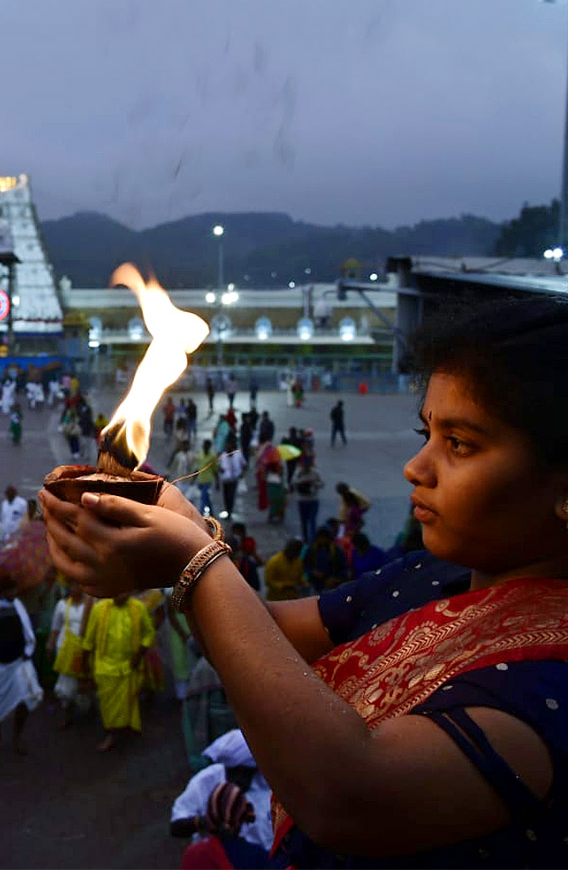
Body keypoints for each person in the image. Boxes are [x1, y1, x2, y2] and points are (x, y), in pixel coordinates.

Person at [40, 292, 568, 867]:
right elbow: (262, 635)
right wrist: (186, 537)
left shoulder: (549, 680)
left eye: (460, 444)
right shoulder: (430, 575)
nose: (415, 469)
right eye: (427, 435)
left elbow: (350, 795)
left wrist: (193, 563)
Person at [170, 729, 273, 869]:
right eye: (235, 772)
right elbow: (176, 826)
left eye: (246, 773)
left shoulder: (268, 784)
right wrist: (206, 822)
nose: (239, 779)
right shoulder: (205, 781)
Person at [0, 566, 43, 754]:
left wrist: (27, 652)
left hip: (17, 664)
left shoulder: (18, 608)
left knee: (26, 697)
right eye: (10, 589)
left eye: (14, 589)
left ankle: (17, 735)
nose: (14, 593)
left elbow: (27, 632)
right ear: (1, 591)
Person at [82, 592, 155, 752]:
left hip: (129, 666)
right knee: (108, 706)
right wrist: (84, 668)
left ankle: (125, 728)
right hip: (105, 667)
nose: (117, 594)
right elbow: (89, 639)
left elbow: (148, 633)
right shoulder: (99, 609)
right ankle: (111, 734)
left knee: (128, 702)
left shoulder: (139, 608)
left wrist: (138, 655)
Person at [48, 583, 92, 728]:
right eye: (72, 586)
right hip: (65, 650)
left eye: (78, 585)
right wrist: (50, 644)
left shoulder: (91, 604)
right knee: (66, 685)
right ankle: (67, 715)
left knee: (84, 680)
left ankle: (90, 709)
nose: (74, 588)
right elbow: (55, 627)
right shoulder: (61, 605)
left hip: (84, 650)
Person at [303, 526, 348, 593]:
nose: (322, 540)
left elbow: (344, 569)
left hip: (331, 586)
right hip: (315, 585)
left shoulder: (337, 552)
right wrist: (313, 572)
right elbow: (305, 566)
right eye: (320, 537)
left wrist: (335, 579)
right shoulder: (311, 551)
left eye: (324, 537)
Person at [293, 455, 323, 543]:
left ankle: (312, 539)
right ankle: (305, 538)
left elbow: (322, 483)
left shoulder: (315, 472)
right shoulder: (298, 472)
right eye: (304, 466)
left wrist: (314, 484)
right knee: (304, 522)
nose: (306, 468)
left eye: (308, 466)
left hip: (313, 500)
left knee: (312, 520)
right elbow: (293, 482)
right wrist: (301, 481)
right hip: (302, 500)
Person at [217, 437, 246, 520]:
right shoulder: (223, 456)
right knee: (226, 497)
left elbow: (244, 465)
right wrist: (221, 470)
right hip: (225, 480)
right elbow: (219, 466)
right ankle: (227, 510)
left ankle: (229, 511)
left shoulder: (238, 455)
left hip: (234, 479)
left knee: (231, 496)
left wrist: (242, 473)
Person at [193, 439, 217, 517]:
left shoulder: (212, 456)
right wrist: (194, 477)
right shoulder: (200, 455)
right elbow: (198, 467)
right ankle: (212, 512)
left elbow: (215, 469)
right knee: (206, 498)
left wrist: (217, 481)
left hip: (208, 480)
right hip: (200, 479)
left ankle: (201, 514)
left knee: (203, 497)